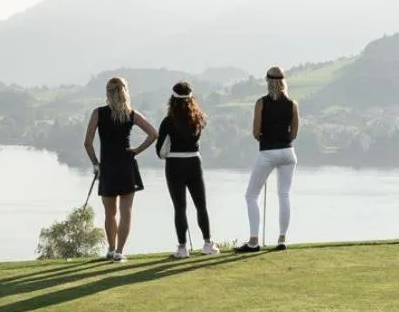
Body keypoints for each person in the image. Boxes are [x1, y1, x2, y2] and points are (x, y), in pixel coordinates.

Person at [84, 76, 157, 261]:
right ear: (125, 92)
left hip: (107, 167)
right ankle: (119, 252)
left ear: (108, 93)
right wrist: (137, 150)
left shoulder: (98, 113)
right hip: (126, 166)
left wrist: (96, 164)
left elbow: (87, 143)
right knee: (126, 212)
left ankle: (111, 249)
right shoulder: (131, 114)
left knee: (110, 214)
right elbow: (153, 133)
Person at [236, 66, 300, 253]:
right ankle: (282, 239)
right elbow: (294, 133)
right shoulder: (292, 104)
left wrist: (266, 140)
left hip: (268, 152)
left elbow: (256, 132)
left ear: (268, 82)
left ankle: (253, 242)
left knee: (251, 196)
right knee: (284, 195)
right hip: (288, 152)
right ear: (283, 81)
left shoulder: (261, 103)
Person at [155, 81, 220, 259]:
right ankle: (208, 244)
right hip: (194, 163)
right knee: (201, 205)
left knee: (180, 208)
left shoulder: (167, 121)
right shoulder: (199, 118)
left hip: (174, 165)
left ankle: (183, 248)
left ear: (172, 99)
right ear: (192, 99)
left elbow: (159, 151)